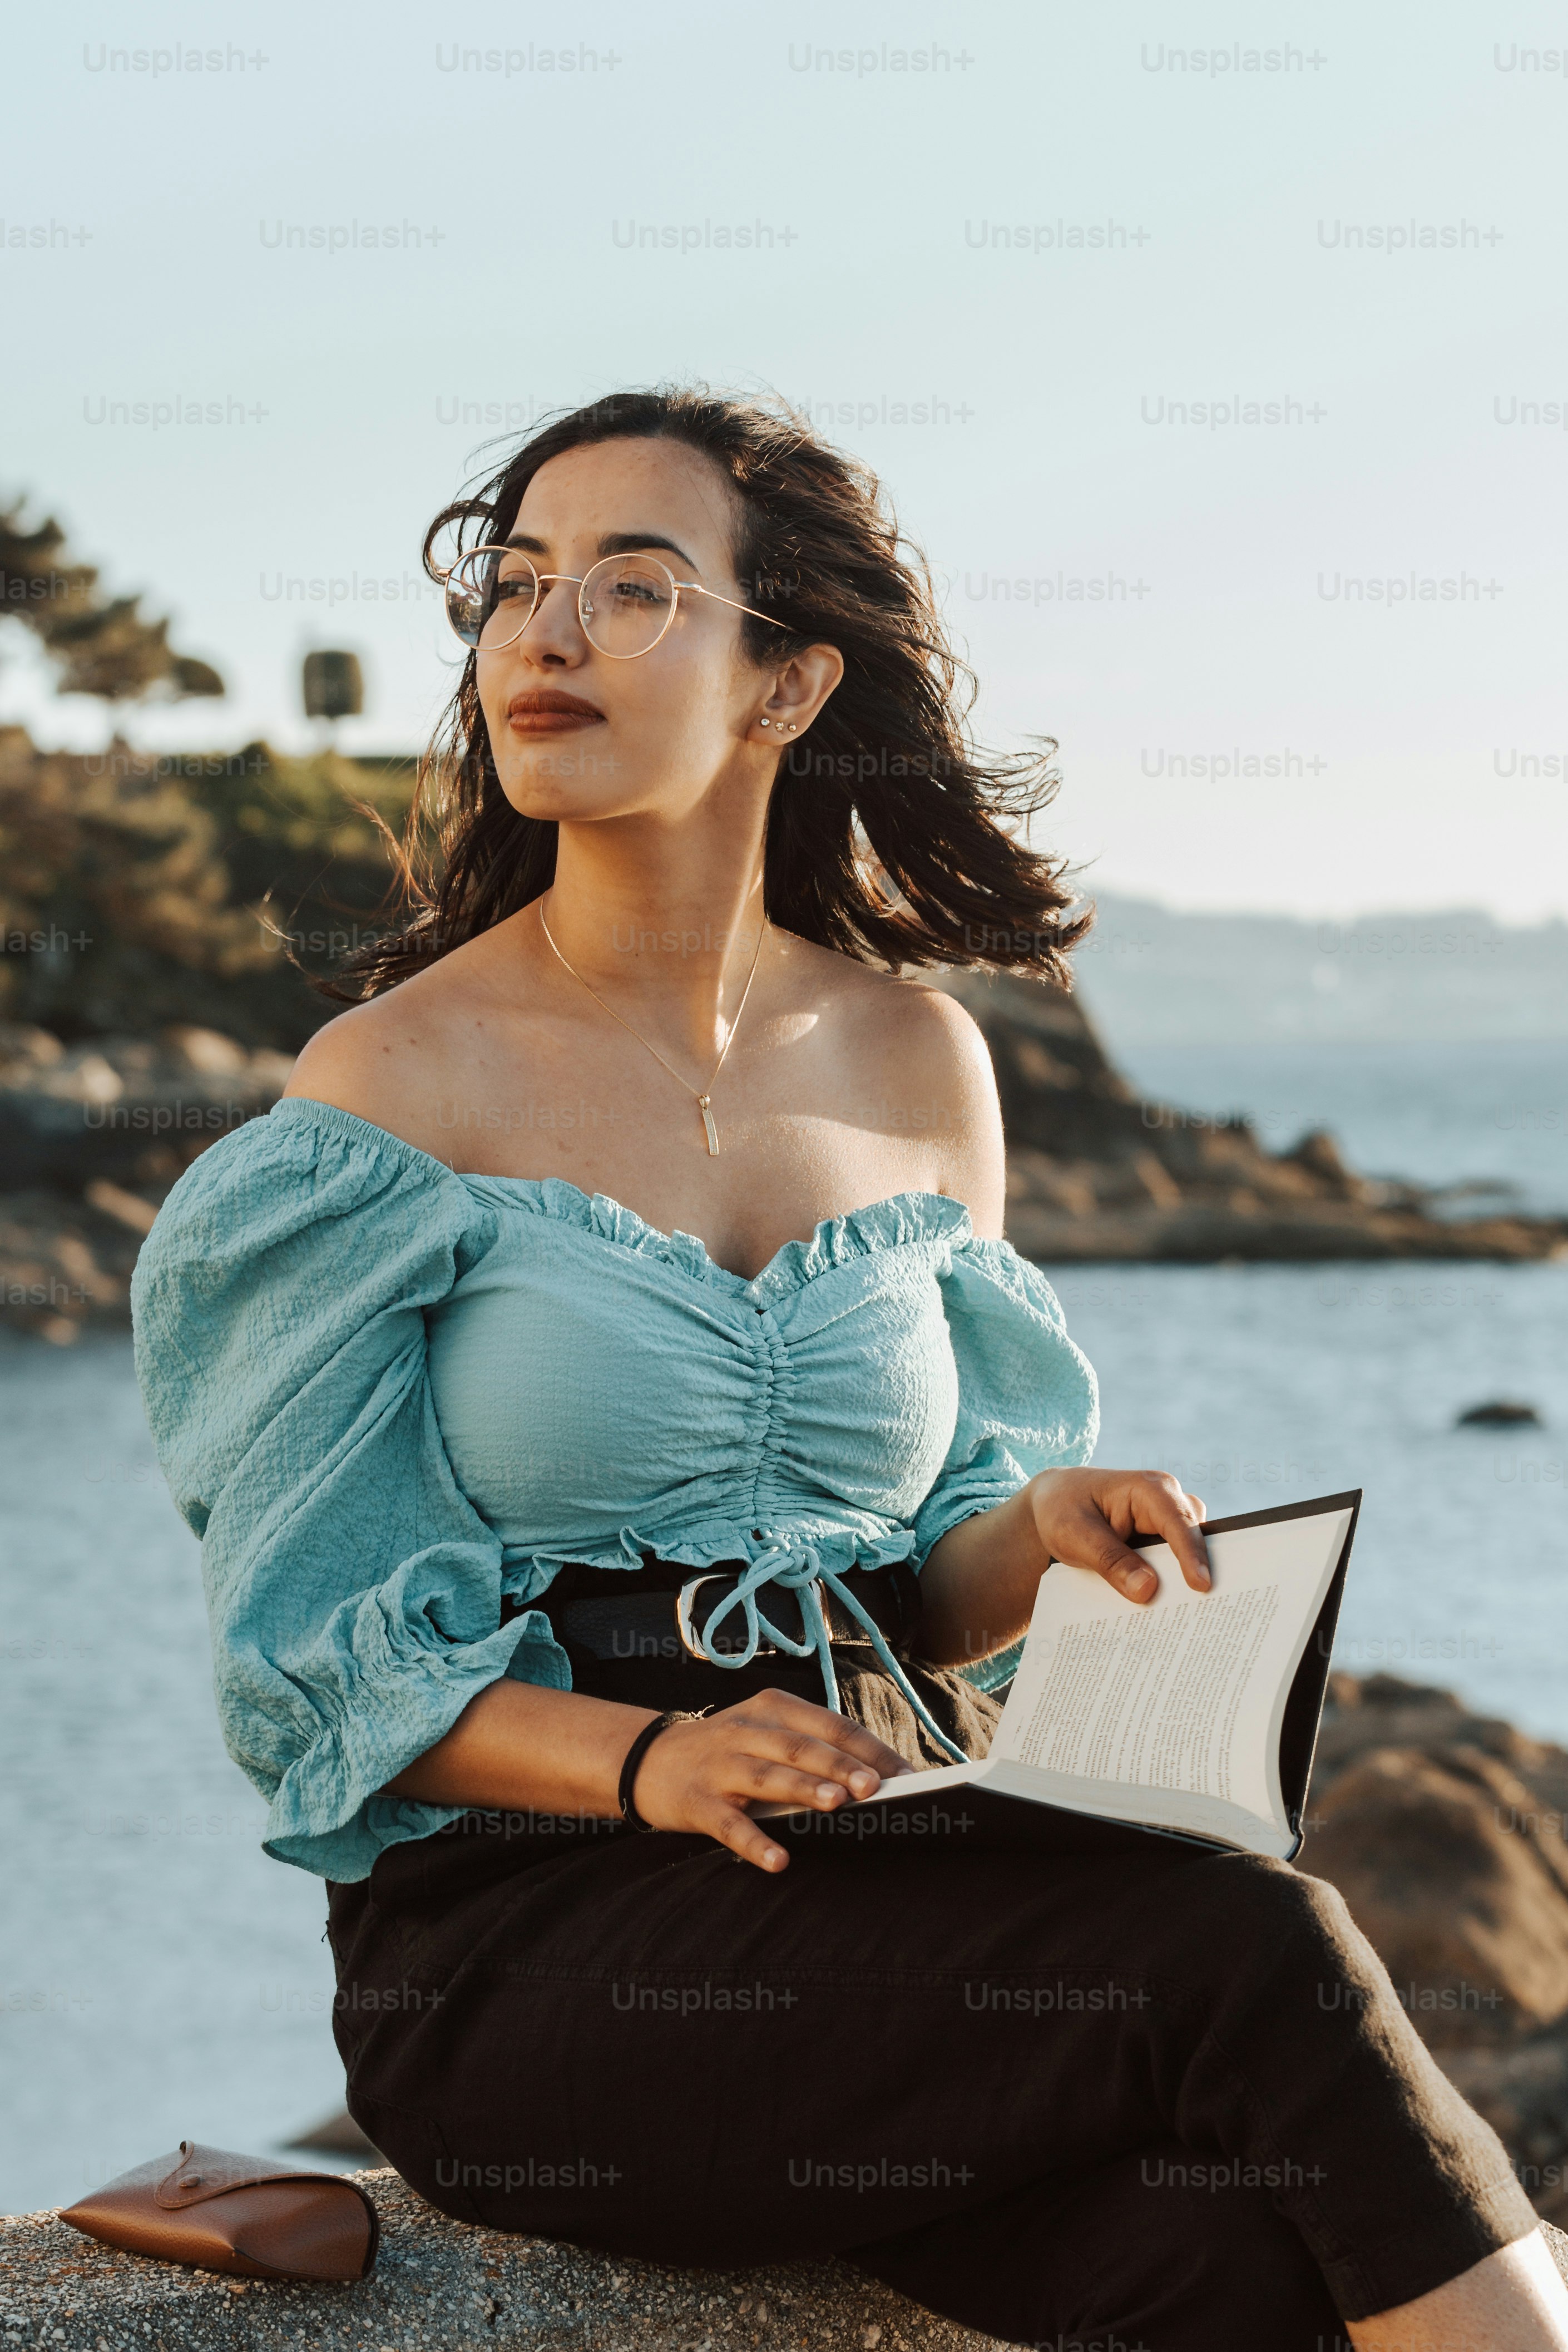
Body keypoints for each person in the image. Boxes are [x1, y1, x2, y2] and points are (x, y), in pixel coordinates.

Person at [132, 389, 1568, 2351]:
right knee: (1245, 1937)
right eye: (519, 585)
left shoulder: (917, 1063)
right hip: (527, 1933)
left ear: (787, 683)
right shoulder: (392, 1084)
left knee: (1238, 2258)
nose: (546, 634)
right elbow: (307, 1669)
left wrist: (1036, 1531)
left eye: (632, 587)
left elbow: (916, 1590)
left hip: (880, 1848)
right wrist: (650, 1758)